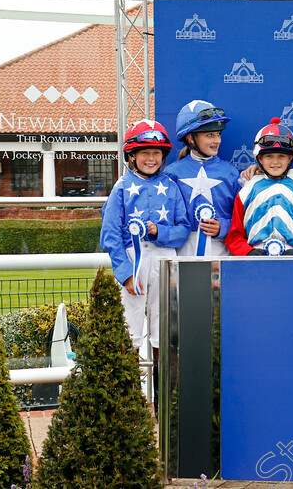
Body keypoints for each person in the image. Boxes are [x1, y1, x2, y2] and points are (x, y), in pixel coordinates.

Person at [100, 120, 189, 414]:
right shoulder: (122, 187)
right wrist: (125, 273)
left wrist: (157, 232)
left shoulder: (172, 187)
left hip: (165, 260)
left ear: (163, 156)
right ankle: (128, 402)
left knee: (165, 331)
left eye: (156, 153)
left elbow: (183, 229)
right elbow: (110, 235)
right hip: (133, 262)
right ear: (132, 156)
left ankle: (165, 403)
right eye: (144, 152)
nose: (151, 159)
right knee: (129, 330)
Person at [226, 118, 293, 256]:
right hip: (255, 262)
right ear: (259, 158)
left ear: (290, 158)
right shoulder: (247, 190)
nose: (275, 162)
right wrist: (247, 253)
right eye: (269, 156)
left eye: (281, 156)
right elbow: (235, 234)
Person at [164, 100, 240, 257]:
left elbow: (241, 217)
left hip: (221, 250)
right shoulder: (171, 173)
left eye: (218, 134)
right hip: (183, 250)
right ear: (191, 139)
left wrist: (223, 227)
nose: (217, 140)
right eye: (210, 135)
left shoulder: (231, 173)